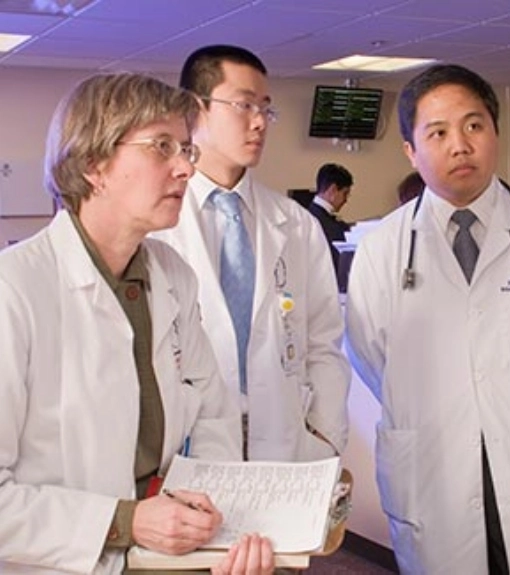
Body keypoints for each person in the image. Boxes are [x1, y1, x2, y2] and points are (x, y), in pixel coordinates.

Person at [0, 72, 273, 575]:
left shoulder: (173, 278)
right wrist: (124, 522)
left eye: (186, 149)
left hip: (164, 555)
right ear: (93, 165)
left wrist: (197, 507)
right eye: (161, 146)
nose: (185, 169)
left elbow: (213, 413)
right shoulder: (14, 291)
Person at [345, 63, 510, 574]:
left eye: (474, 126)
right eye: (438, 132)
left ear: (495, 131)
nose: (460, 145)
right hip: (434, 477)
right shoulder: (384, 248)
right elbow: (369, 357)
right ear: (410, 150)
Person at [154, 45, 349, 462]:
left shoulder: (295, 224)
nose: (260, 122)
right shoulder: (157, 223)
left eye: (266, 109)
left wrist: (326, 436)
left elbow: (323, 345)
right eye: (244, 105)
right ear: (194, 108)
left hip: (286, 444)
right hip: (189, 447)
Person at [308, 163, 353, 272]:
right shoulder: (327, 225)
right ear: (333, 190)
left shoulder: (308, 215)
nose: (346, 200)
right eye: (345, 193)